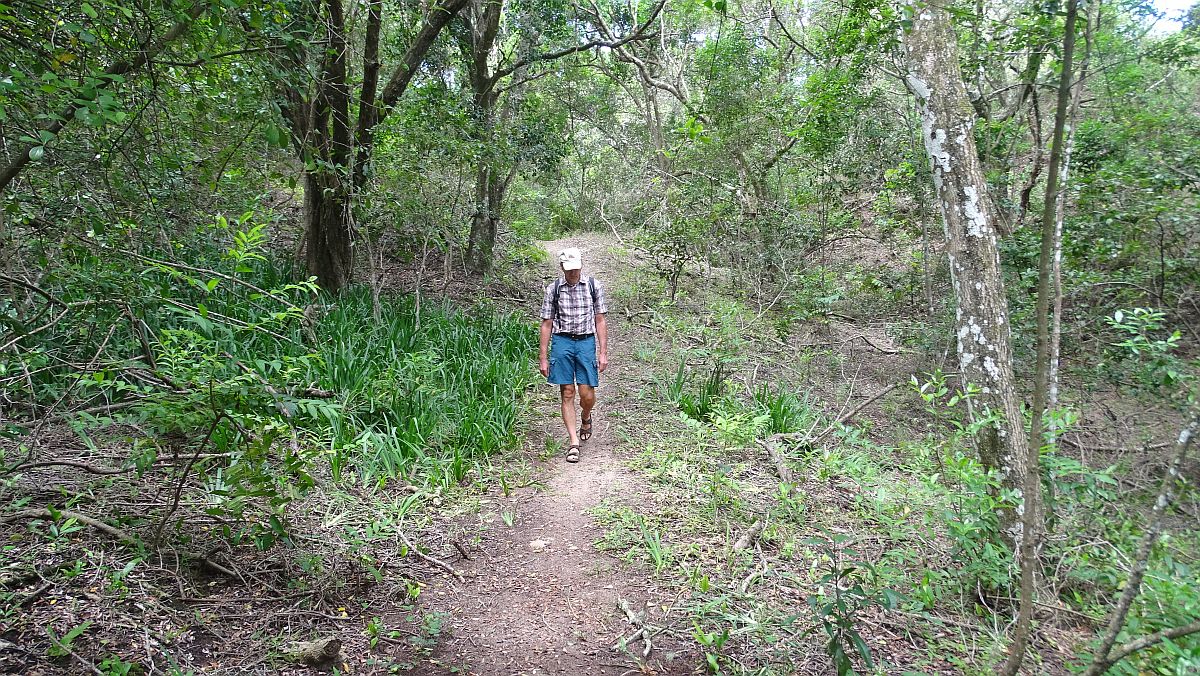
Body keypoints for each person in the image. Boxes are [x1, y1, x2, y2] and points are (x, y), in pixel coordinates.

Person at [539, 247, 609, 463]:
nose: (573, 273)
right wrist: (543, 357)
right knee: (567, 392)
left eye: (576, 269)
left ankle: (586, 416)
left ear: (581, 265)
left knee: (587, 394)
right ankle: (573, 442)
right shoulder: (554, 289)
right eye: (569, 270)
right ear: (562, 267)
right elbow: (547, 323)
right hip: (563, 341)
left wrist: (603, 352)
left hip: (586, 341)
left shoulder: (592, 286)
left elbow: (600, 320)